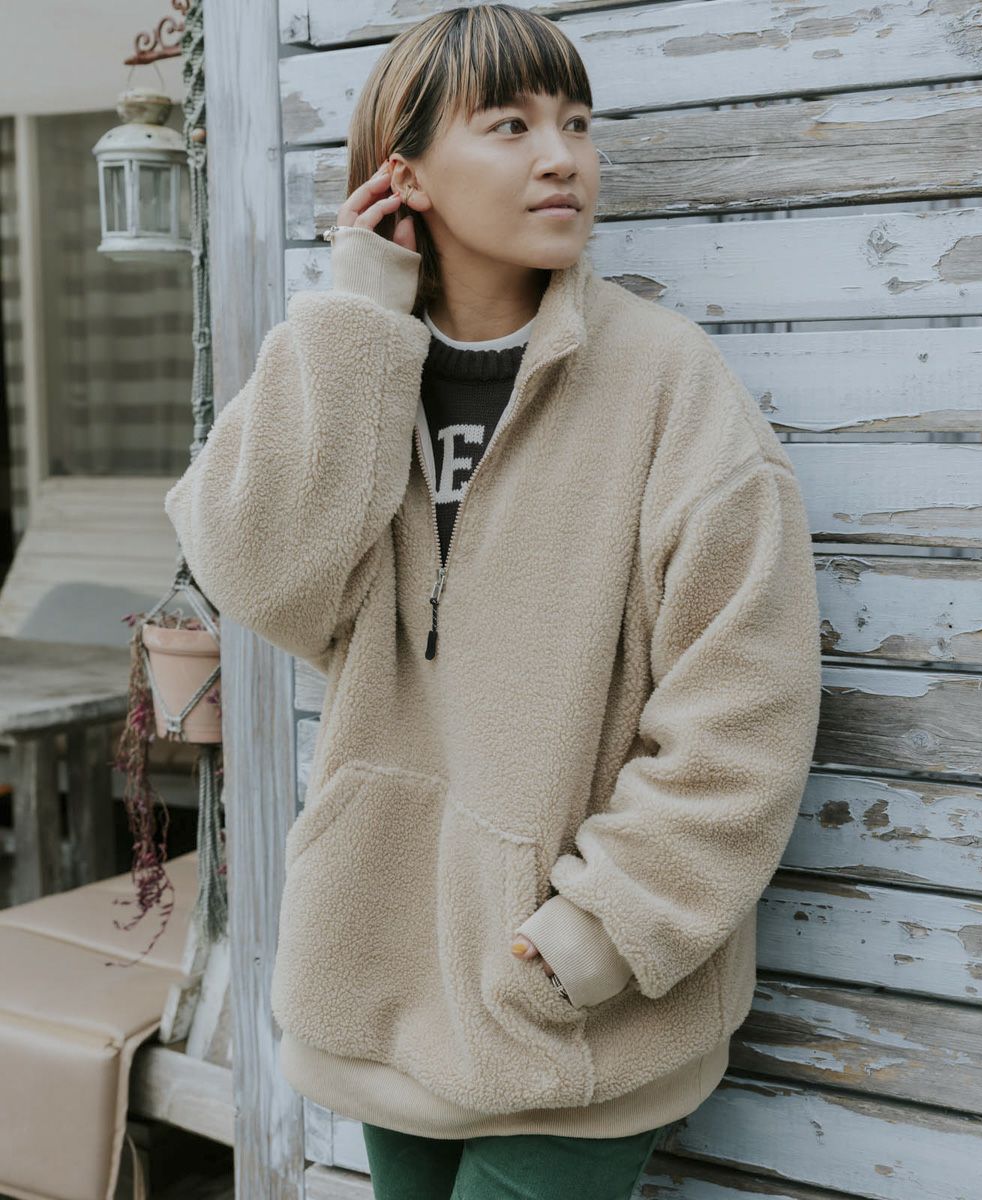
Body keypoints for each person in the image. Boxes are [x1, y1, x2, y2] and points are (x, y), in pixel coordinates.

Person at [163, 5, 822, 1198]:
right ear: (405, 173)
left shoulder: (665, 383)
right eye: (510, 125)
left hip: (574, 1013)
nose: (561, 156)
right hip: (388, 980)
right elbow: (254, 569)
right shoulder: (357, 367)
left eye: (576, 123)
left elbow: (746, 704)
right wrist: (357, 312)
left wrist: (597, 934)